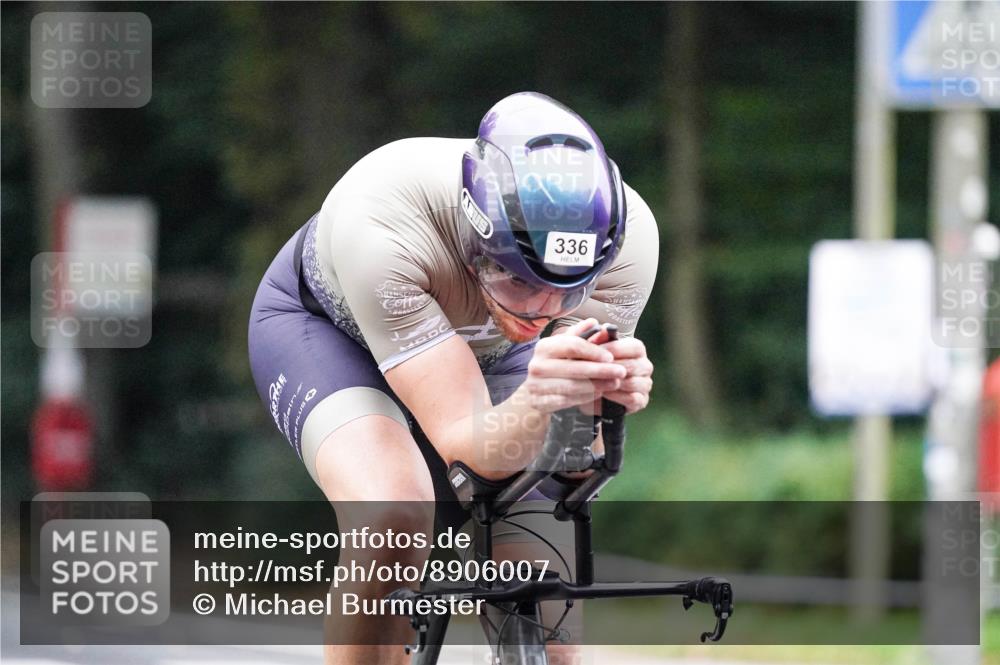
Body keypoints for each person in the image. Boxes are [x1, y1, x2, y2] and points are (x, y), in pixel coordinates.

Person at [248, 91, 658, 664]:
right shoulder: (385, 218)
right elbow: (469, 454)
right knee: (393, 513)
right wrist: (543, 398)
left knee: (543, 581)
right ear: (475, 241)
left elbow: (567, 470)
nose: (543, 310)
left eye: (570, 289)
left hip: (491, 354)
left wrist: (596, 411)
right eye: (520, 279)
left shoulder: (629, 243)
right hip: (333, 335)